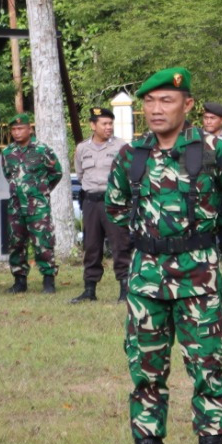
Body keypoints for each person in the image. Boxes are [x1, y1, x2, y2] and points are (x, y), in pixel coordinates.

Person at [104, 66, 222, 444]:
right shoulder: (132, 154)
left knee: (207, 369)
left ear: (187, 104)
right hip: (146, 280)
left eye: (166, 101)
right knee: (145, 372)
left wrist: (199, 232)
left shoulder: (212, 150)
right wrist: (152, 237)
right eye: (150, 102)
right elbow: (115, 206)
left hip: (198, 277)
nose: (156, 109)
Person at [71, 106, 131, 302]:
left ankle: (125, 289)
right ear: (93, 125)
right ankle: (89, 290)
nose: (108, 127)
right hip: (91, 203)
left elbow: (129, 174)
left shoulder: (121, 146)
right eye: (104, 124)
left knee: (120, 245)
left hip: (114, 202)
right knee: (91, 246)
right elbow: (80, 174)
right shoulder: (82, 148)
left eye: (110, 123)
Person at [0, 112, 62, 294]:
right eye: (13, 129)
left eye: (20, 128)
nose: (17, 132)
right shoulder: (7, 152)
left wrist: (41, 190)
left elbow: (56, 173)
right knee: (16, 243)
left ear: (29, 129)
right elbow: (8, 175)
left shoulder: (42, 150)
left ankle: (48, 280)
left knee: (43, 242)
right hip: (16, 206)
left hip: (37, 206)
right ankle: (19, 281)